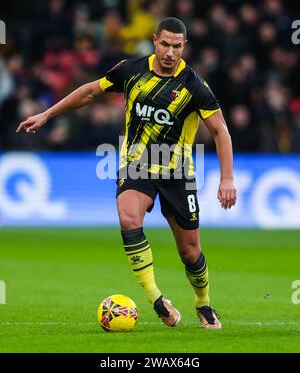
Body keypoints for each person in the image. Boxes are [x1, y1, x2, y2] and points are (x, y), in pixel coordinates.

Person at [17, 17, 237, 329]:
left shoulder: (195, 86)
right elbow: (91, 92)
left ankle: (203, 302)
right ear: (154, 40)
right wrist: (48, 113)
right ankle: (156, 299)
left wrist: (227, 178)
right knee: (129, 219)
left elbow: (221, 131)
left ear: (183, 46)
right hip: (137, 165)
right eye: (165, 44)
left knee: (190, 252)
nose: (170, 52)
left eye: (177, 46)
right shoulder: (131, 69)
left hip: (178, 173)